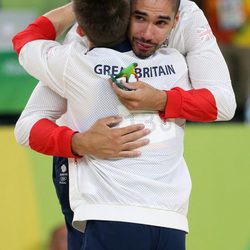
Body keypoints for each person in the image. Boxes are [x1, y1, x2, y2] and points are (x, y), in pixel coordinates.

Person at [13, 0, 236, 249]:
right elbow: (28, 124)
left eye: (161, 22)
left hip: (130, 212)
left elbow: (224, 104)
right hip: (155, 215)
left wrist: (161, 99)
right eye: (139, 18)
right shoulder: (177, 62)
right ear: (125, 9)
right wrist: (79, 142)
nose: (148, 34)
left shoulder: (75, 59)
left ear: (176, 19)